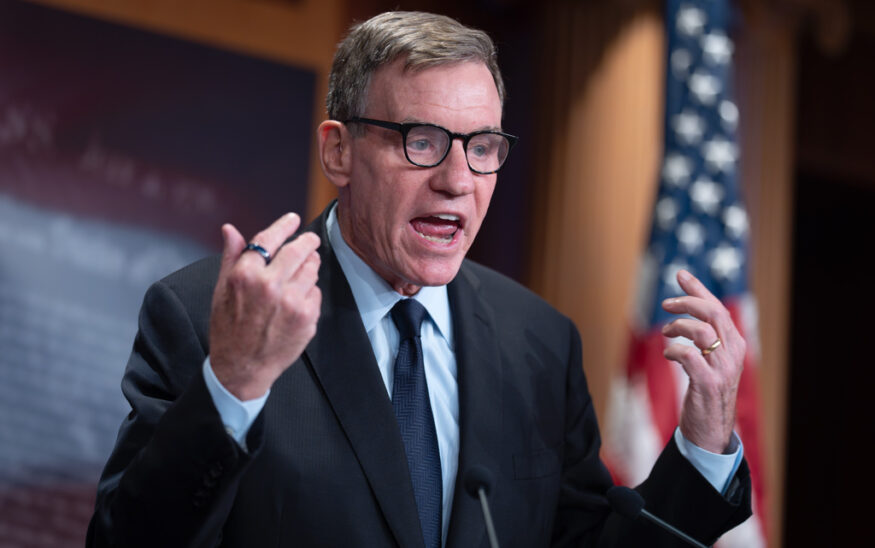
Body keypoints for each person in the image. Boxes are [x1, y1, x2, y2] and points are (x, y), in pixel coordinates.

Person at [87, 11, 751, 548]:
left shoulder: (538, 346)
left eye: (482, 147)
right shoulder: (210, 315)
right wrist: (231, 386)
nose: (457, 181)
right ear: (338, 150)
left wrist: (703, 445)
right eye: (422, 140)